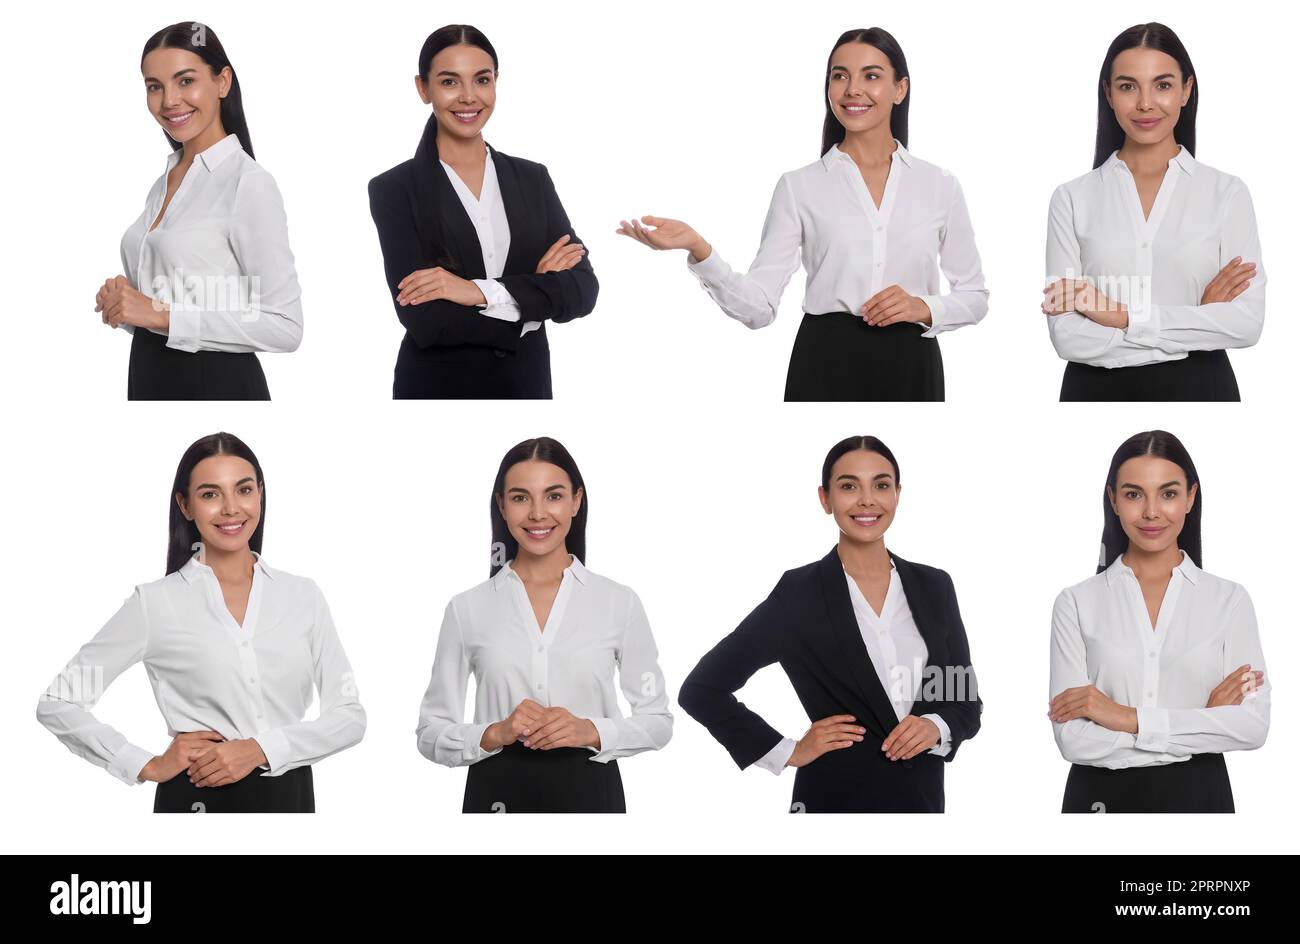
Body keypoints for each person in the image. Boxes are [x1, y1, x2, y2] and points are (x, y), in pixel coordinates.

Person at [618, 28, 988, 401]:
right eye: (840, 75)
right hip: (825, 362)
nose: (852, 89)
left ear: (900, 89)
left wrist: (923, 306)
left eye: (871, 76)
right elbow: (759, 308)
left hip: (912, 363)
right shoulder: (800, 187)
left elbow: (975, 296)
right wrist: (699, 248)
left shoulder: (939, 185)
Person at [36, 432, 365, 812]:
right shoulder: (155, 604)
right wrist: (142, 763)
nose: (230, 509)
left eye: (243, 490)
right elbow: (59, 700)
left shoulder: (303, 596)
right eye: (210, 494)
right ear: (185, 505)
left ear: (260, 493)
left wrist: (259, 749)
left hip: (289, 793)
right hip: (196, 796)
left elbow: (349, 716)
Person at [679, 435, 982, 811]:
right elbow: (702, 689)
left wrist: (937, 725)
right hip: (833, 800)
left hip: (920, 802)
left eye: (881, 485)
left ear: (897, 494)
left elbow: (964, 698)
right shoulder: (799, 593)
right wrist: (785, 751)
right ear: (825, 498)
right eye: (849, 486)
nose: (867, 499)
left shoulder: (934, 586)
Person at [416, 437, 672, 811]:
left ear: (576, 501)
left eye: (553, 496)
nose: (538, 513)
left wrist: (590, 730)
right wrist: (494, 732)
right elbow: (430, 731)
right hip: (496, 793)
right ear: (502, 506)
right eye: (521, 498)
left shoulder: (619, 602)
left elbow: (658, 720)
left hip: (591, 794)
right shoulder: (467, 608)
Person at [368, 25, 598, 399]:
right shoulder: (394, 189)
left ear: (496, 83)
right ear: (423, 88)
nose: (469, 97)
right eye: (449, 82)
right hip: (437, 391)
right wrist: (531, 304)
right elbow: (425, 321)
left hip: (527, 388)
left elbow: (583, 289)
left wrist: (473, 291)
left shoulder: (532, 179)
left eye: (482, 80)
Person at [1042, 22, 1265, 401]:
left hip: (1202, 391)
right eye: (1128, 86)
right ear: (1109, 94)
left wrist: (1121, 316)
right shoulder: (1072, 198)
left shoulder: (1227, 194)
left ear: (1186, 91)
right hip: (1095, 393)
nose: (1145, 103)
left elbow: (1245, 324)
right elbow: (1068, 337)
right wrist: (1196, 321)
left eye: (1162, 85)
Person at [1049, 430, 1269, 811]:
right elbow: (1074, 740)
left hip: (1201, 800)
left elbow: (1252, 727)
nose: (1152, 511)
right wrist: (1204, 721)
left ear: (1190, 498)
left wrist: (1122, 717)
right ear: (1113, 500)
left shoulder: (1230, 601)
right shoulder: (1076, 602)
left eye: (1168, 493)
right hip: (1099, 802)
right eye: (1134, 494)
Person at [99, 21, 303, 400]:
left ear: (222, 82)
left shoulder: (248, 183)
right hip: (149, 374)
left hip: (214, 383)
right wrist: (125, 304)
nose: (169, 100)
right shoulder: (165, 181)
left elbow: (286, 327)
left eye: (185, 81)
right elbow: (171, 304)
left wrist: (160, 313)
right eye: (154, 86)